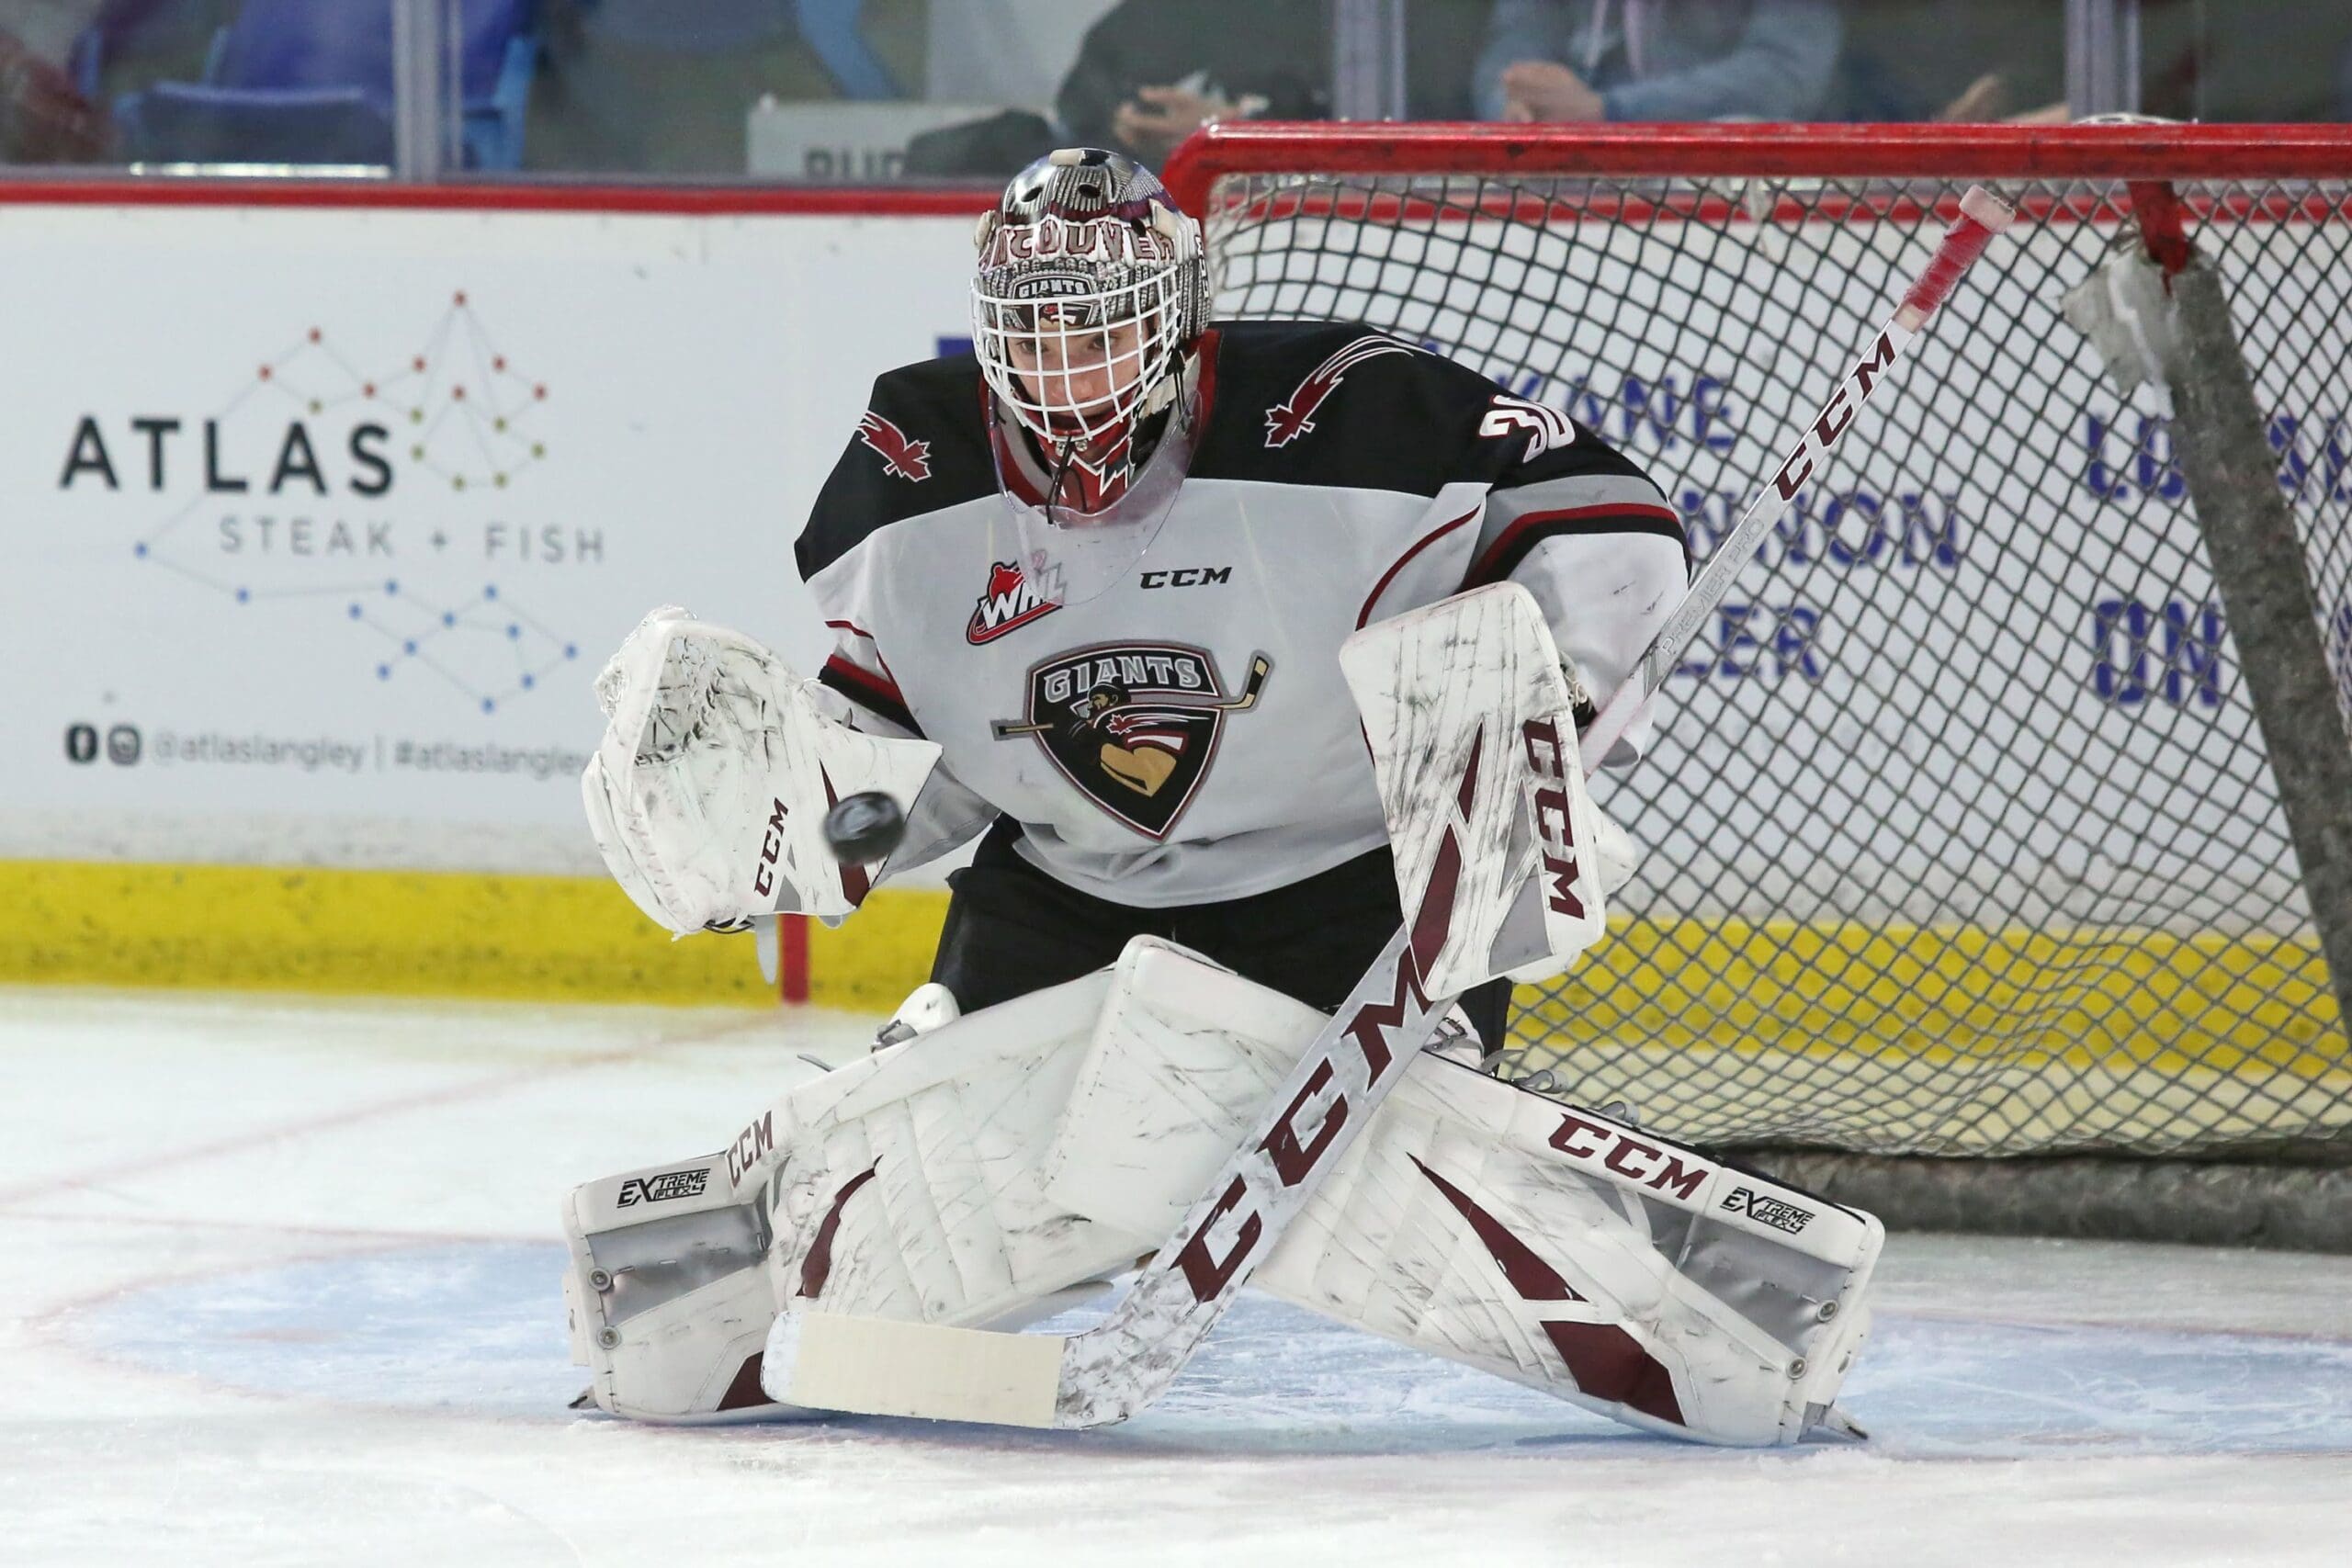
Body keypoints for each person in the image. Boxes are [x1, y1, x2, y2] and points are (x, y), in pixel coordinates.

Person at [785, 147, 1688, 1055]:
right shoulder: (910, 467)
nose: (1063, 380)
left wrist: (1548, 729)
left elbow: (1607, 519)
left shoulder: (1345, 406)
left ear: (1173, 313)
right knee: (950, 1160)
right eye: (1032, 341)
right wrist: (791, 837)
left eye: (1097, 338)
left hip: (1351, 883)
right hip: (1065, 892)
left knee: (1378, 1175)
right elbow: (904, 731)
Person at [1475, 0, 1841, 124]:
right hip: (1578, 202)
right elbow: (1509, 52)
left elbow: (1786, 75)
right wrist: (1518, 110)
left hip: (1745, 210)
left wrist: (1609, 112)